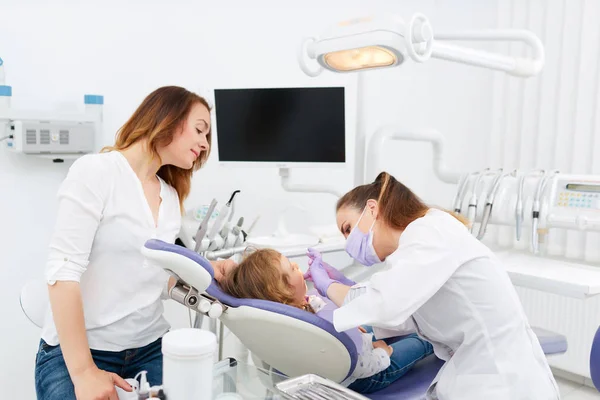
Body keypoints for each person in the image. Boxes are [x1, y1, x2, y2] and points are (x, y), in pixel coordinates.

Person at [35, 86, 236, 400]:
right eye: (200, 130)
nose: (204, 143)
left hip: (150, 349)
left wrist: (207, 272)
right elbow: (62, 273)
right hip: (81, 354)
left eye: (207, 137)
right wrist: (85, 373)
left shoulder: (169, 198)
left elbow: (151, 273)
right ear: (167, 116)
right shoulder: (97, 172)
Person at [304, 171, 560, 400]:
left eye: (348, 229)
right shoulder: (414, 248)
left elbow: (386, 304)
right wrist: (345, 286)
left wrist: (328, 287)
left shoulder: (429, 232)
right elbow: (404, 315)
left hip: (502, 380)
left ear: (372, 209)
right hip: (473, 373)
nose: (349, 242)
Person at [219, 248, 434, 394]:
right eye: (291, 268)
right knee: (421, 339)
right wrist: (383, 353)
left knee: (393, 323)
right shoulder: (310, 325)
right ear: (281, 291)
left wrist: (329, 286)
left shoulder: (295, 311)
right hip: (368, 374)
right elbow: (360, 368)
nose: (296, 265)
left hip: (357, 345)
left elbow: (330, 314)